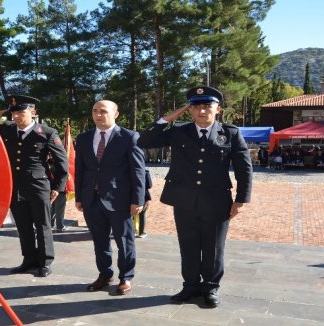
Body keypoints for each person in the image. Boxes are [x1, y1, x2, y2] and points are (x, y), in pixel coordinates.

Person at [138, 86, 252, 308]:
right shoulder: (179, 131)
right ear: (189, 110)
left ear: (217, 109)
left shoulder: (230, 133)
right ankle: (190, 286)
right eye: (196, 107)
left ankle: (210, 288)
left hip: (217, 200)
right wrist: (167, 118)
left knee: (214, 246)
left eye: (207, 106)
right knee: (188, 245)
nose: (202, 111)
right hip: (184, 199)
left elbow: (244, 169)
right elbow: (144, 141)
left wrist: (240, 199)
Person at [0, 95, 68, 278]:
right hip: (15, 187)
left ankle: (45, 262)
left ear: (33, 112)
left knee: (42, 225)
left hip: (39, 186)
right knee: (23, 227)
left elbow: (62, 162)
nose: (16, 116)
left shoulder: (47, 132)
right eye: (14, 112)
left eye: (21, 112)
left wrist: (58, 187)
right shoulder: (7, 129)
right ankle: (29, 260)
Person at [75, 100, 146, 295]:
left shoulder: (129, 137)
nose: (98, 115)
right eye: (95, 111)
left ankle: (126, 277)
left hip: (120, 200)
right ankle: (105, 274)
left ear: (116, 114)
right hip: (92, 199)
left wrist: (137, 200)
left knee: (124, 240)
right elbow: (80, 169)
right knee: (100, 240)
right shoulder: (83, 138)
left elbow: (138, 171)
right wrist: (79, 196)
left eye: (103, 111)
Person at [136, 169, 153, 238]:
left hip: (130, 194)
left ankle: (131, 230)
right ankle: (141, 232)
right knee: (142, 214)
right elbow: (149, 185)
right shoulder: (145, 172)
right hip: (143, 195)